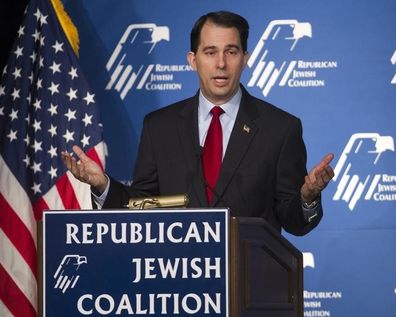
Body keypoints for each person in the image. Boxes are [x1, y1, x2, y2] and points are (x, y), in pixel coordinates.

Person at [62, 11, 334, 236]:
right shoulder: (160, 127)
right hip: (180, 285)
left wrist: (307, 197)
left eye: (231, 52)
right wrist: (102, 185)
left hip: (250, 285)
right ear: (193, 61)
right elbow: (141, 207)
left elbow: (295, 222)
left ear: (246, 59)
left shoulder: (280, 128)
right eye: (210, 52)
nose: (221, 64)